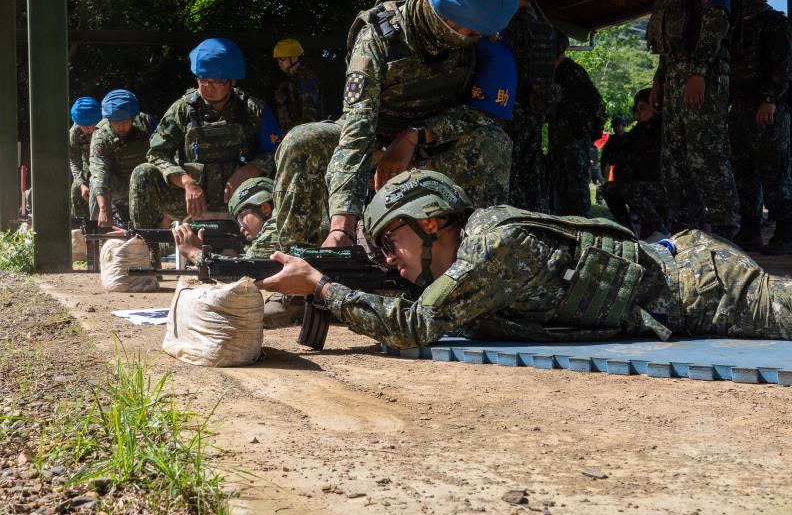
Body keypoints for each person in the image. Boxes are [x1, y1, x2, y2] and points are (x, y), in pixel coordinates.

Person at [256, 169, 792, 349]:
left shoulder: (492, 245)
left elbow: (417, 326)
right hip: (684, 285)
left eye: (392, 243)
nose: (391, 261)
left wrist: (323, 289)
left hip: (704, 284)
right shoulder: (465, 256)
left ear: (432, 221)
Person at [272, 0, 519, 249]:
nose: (466, 38)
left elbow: (481, 114)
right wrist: (342, 225)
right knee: (302, 141)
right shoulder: (379, 38)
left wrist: (416, 134)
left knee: (493, 142)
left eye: (476, 33)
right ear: (432, 2)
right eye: (458, 27)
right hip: (373, 139)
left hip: (431, 144)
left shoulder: (488, 33)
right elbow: (356, 133)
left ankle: (474, 255)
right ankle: (303, 264)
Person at [646, 0, 740, 238]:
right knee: (675, 162)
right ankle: (685, 237)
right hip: (676, 73)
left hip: (702, 72)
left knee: (708, 156)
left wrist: (699, 71)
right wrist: (660, 78)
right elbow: (672, 35)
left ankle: (727, 235)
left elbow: (717, 18)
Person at [129, 38, 281, 229]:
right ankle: (147, 248)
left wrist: (250, 170)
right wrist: (185, 182)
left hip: (242, 197)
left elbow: (276, 155)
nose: (208, 87)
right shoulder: (182, 109)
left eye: (216, 81)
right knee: (143, 173)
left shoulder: (253, 110)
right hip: (192, 201)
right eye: (203, 80)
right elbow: (156, 153)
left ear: (231, 81)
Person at [173, 177, 303, 326]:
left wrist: (193, 253)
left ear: (265, 209)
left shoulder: (276, 227)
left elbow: (245, 270)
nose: (241, 228)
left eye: (242, 218)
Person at [729, 0, 792, 254]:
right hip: (740, 107)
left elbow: (783, 66)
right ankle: (750, 229)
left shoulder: (775, 23)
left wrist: (770, 100)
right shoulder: (737, 25)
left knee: (774, 170)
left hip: (768, 108)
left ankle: (785, 231)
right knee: (744, 170)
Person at [502, 0, 560, 213]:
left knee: (510, 169)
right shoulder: (547, 29)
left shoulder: (510, 26)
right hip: (537, 108)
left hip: (511, 108)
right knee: (530, 168)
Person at [548, 32, 605, 216]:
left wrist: (589, 133)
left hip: (574, 139)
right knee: (561, 184)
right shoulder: (556, 72)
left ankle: (582, 225)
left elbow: (595, 103)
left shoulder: (572, 71)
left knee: (576, 186)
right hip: (560, 140)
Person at [603, 89, 669, 240]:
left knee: (629, 189)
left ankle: (661, 230)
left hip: (665, 187)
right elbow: (618, 155)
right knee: (609, 189)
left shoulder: (665, 128)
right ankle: (628, 233)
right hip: (644, 185)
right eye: (637, 109)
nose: (638, 113)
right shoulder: (638, 131)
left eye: (642, 108)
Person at [88, 89, 157, 228]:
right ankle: (97, 231)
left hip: (145, 182)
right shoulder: (101, 134)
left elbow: (162, 154)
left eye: (125, 121)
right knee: (94, 181)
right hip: (119, 185)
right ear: (108, 119)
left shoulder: (146, 124)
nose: (121, 127)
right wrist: (103, 209)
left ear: (133, 117)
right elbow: (98, 171)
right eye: (116, 122)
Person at [271, 38, 324, 133]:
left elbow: (310, 115)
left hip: (306, 136)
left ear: (294, 57)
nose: (279, 62)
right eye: (278, 59)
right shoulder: (286, 82)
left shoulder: (306, 79)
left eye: (282, 58)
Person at [67, 96, 101, 220]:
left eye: (91, 125)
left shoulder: (107, 126)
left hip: (111, 166)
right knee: (76, 189)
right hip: (89, 167)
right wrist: (81, 184)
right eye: (83, 126)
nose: (87, 129)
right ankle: (82, 228)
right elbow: (74, 160)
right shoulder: (74, 133)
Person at [599, 116, 627, 184]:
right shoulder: (612, 139)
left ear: (623, 125)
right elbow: (604, 155)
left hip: (627, 168)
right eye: (614, 126)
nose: (615, 128)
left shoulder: (629, 138)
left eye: (618, 125)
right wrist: (603, 168)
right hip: (616, 168)